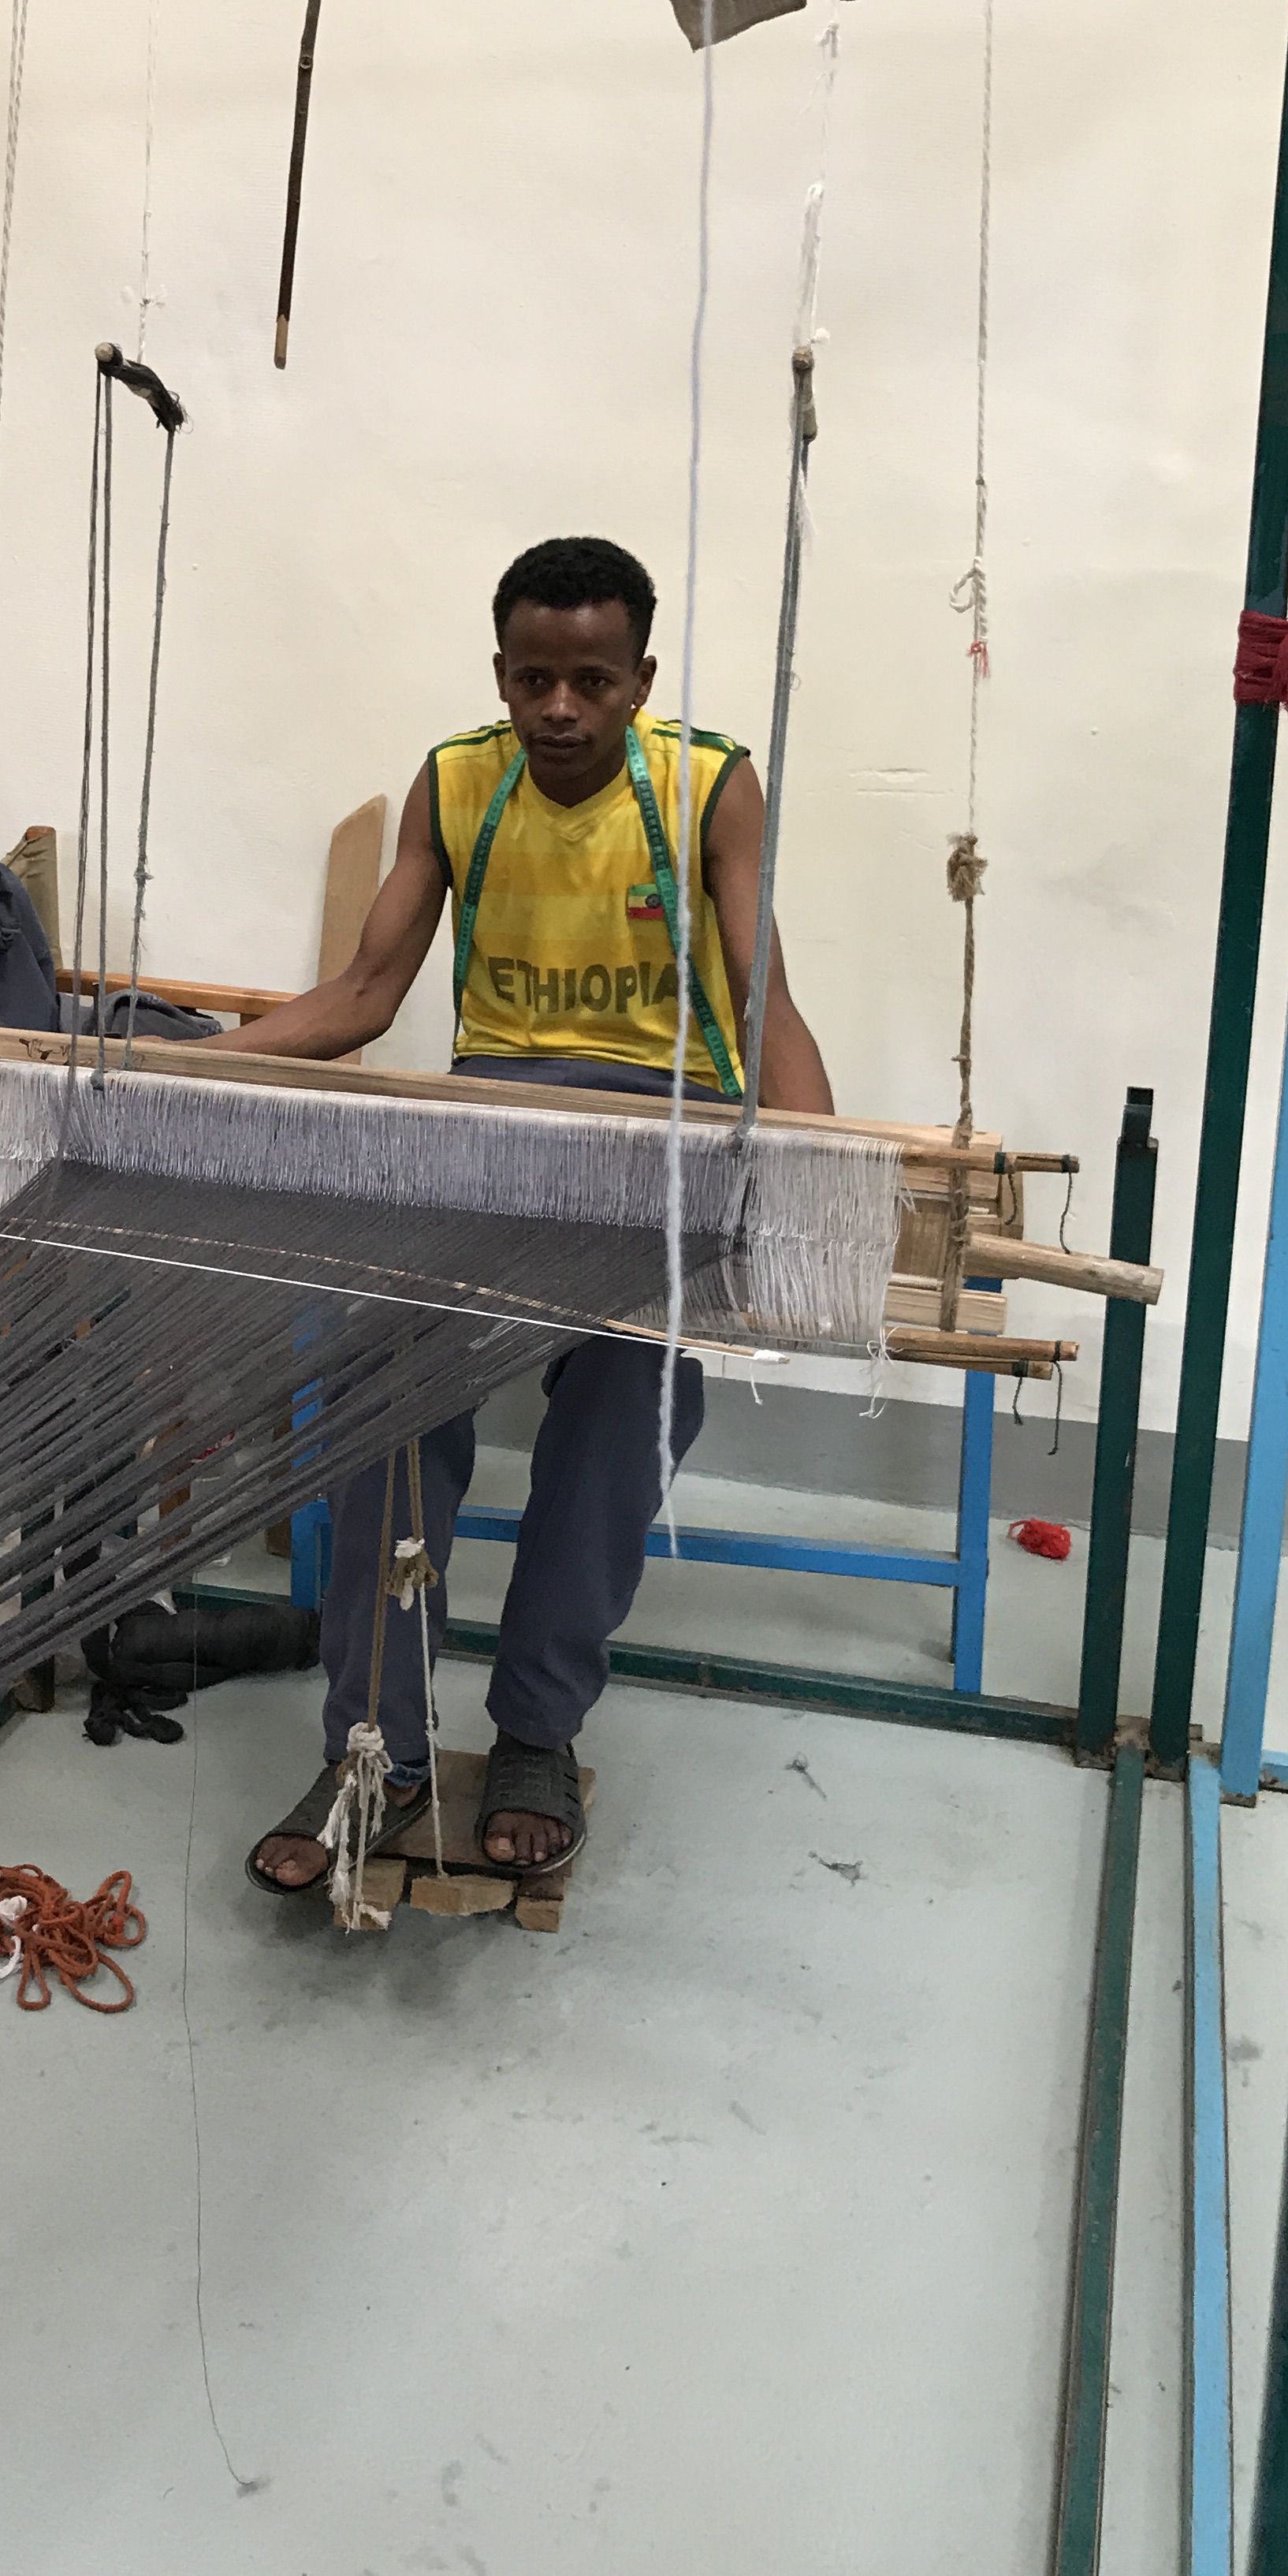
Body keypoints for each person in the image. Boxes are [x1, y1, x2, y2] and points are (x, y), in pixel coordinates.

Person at [231, 535, 834, 1894]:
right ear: (501, 673)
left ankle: (537, 1733)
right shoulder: (457, 782)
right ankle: (373, 1748)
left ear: (641, 681)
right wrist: (172, 1077)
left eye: (592, 683)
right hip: (493, 1137)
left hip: (658, 1146)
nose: (559, 708)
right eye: (532, 681)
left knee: (632, 1392)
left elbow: (762, 1002)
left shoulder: (709, 785)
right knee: (385, 1385)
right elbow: (363, 995)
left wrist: (814, 1177)